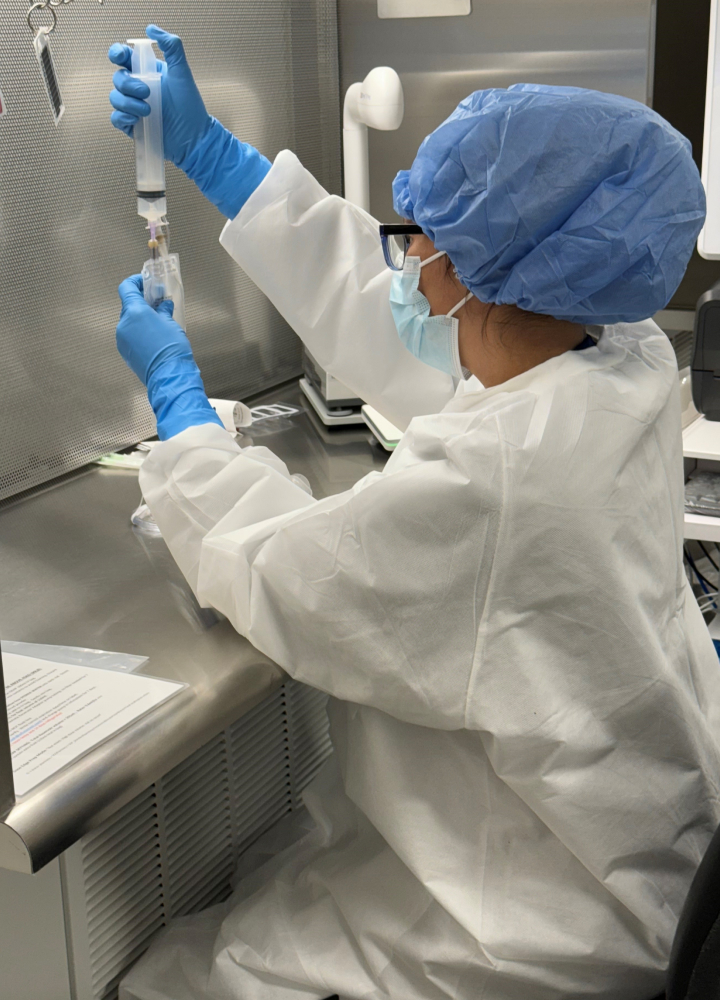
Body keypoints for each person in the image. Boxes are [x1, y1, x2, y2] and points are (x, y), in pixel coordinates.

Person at [109, 26, 720, 1000]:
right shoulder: (622, 352)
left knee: (173, 978)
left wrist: (182, 422)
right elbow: (431, 330)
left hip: (537, 925)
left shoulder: (494, 479)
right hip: (633, 843)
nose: (409, 262)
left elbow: (273, 567)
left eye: (427, 243)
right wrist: (216, 157)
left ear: (490, 274)